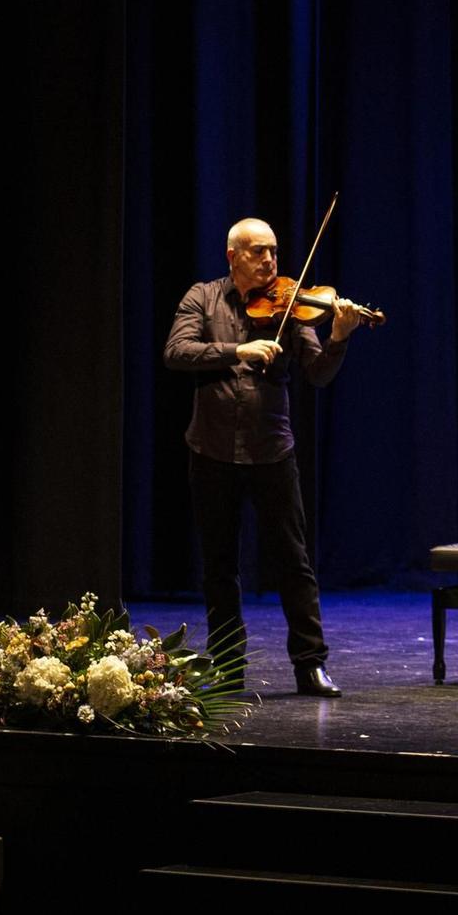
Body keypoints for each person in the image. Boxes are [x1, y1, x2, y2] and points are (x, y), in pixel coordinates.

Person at [162, 217, 371, 697]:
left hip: (272, 450)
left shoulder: (292, 306)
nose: (271, 262)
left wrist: (339, 337)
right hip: (211, 450)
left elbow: (317, 373)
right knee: (220, 566)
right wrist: (240, 348)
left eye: (274, 252)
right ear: (233, 255)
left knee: (293, 561)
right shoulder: (203, 297)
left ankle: (310, 664)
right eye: (259, 252)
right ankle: (230, 666)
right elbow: (176, 351)